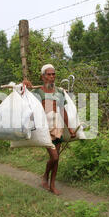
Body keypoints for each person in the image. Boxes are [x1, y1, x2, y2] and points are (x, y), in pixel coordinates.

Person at [23, 64, 76, 195]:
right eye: (48, 74)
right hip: (44, 128)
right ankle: (46, 177)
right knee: (54, 157)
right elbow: (25, 102)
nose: (51, 77)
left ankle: (51, 183)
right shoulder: (37, 93)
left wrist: (70, 130)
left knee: (56, 158)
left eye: (53, 74)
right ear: (43, 77)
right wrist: (23, 86)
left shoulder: (59, 92)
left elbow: (63, 111)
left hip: (57, 127)